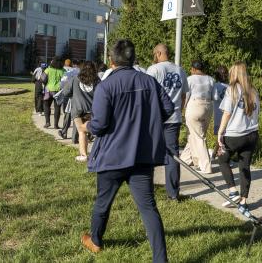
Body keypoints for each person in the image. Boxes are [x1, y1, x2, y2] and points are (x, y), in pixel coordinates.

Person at [81, 39, 174, 262]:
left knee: (103, 202)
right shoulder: (149, 81)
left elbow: (100, 124)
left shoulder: (107, 86)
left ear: (111, 60)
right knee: (149, 208)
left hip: (112, 156)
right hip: (142, 156)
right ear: (132, 59)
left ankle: (95, 240)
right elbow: (169, 108)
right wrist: (148, 122)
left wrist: (87, 126)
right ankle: (160, 259)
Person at [216, 62, 260, 218]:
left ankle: (232, 191)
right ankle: (243, 201)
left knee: (222, 160)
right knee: (245, 167)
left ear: (234, 73)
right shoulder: (253, 90)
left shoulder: (232, 89)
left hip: (235, 134)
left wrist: (220, 132)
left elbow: (227, 113)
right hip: (252, 134)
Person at [146, 44, 188, 200]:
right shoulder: (180, 70)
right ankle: (173, 192)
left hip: (156, 118)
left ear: (158, 53)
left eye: (154, 53)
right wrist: (179, 111)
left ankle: (147, 187)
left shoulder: (154, 69)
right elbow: (184, 96)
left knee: (149, 153)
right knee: (172, 155)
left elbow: (148, 94)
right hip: (174, 118)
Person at [180, 61, 216, 173]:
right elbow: (214, 96)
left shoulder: (190, 79)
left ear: (193, 69)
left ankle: (206, 166)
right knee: (195, 134)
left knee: (198, 137)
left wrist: (182, 109)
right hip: (208, 107)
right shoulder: (211, 79)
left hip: (194, 106)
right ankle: (185, 159)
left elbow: (186, 96)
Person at [60, 61, 99, 162]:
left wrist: (73, 95)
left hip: (78, 110)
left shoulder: (75, 79)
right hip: (93, 111)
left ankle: (83, 155)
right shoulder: (97, 81)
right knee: (98, 133)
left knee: (81, 132)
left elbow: (65, 92)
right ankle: (97, 154)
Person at [212, 66, 229, 157]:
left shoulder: (215, 86)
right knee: (224, 137)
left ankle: (222, 156)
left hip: (219, 114)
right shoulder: (230, 86)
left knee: (221, 137)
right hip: (228, 114)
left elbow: (214, 98)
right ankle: (216, 154)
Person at [43, 58, 65, 129]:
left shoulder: (48, 69)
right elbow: (66, 81)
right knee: (57, 107)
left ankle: (47, 122)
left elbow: (42, 79)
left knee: (46, 105)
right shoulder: (63, 71)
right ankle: (56, 125)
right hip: (58, 91)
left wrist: (46, 84)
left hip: (48, 90)